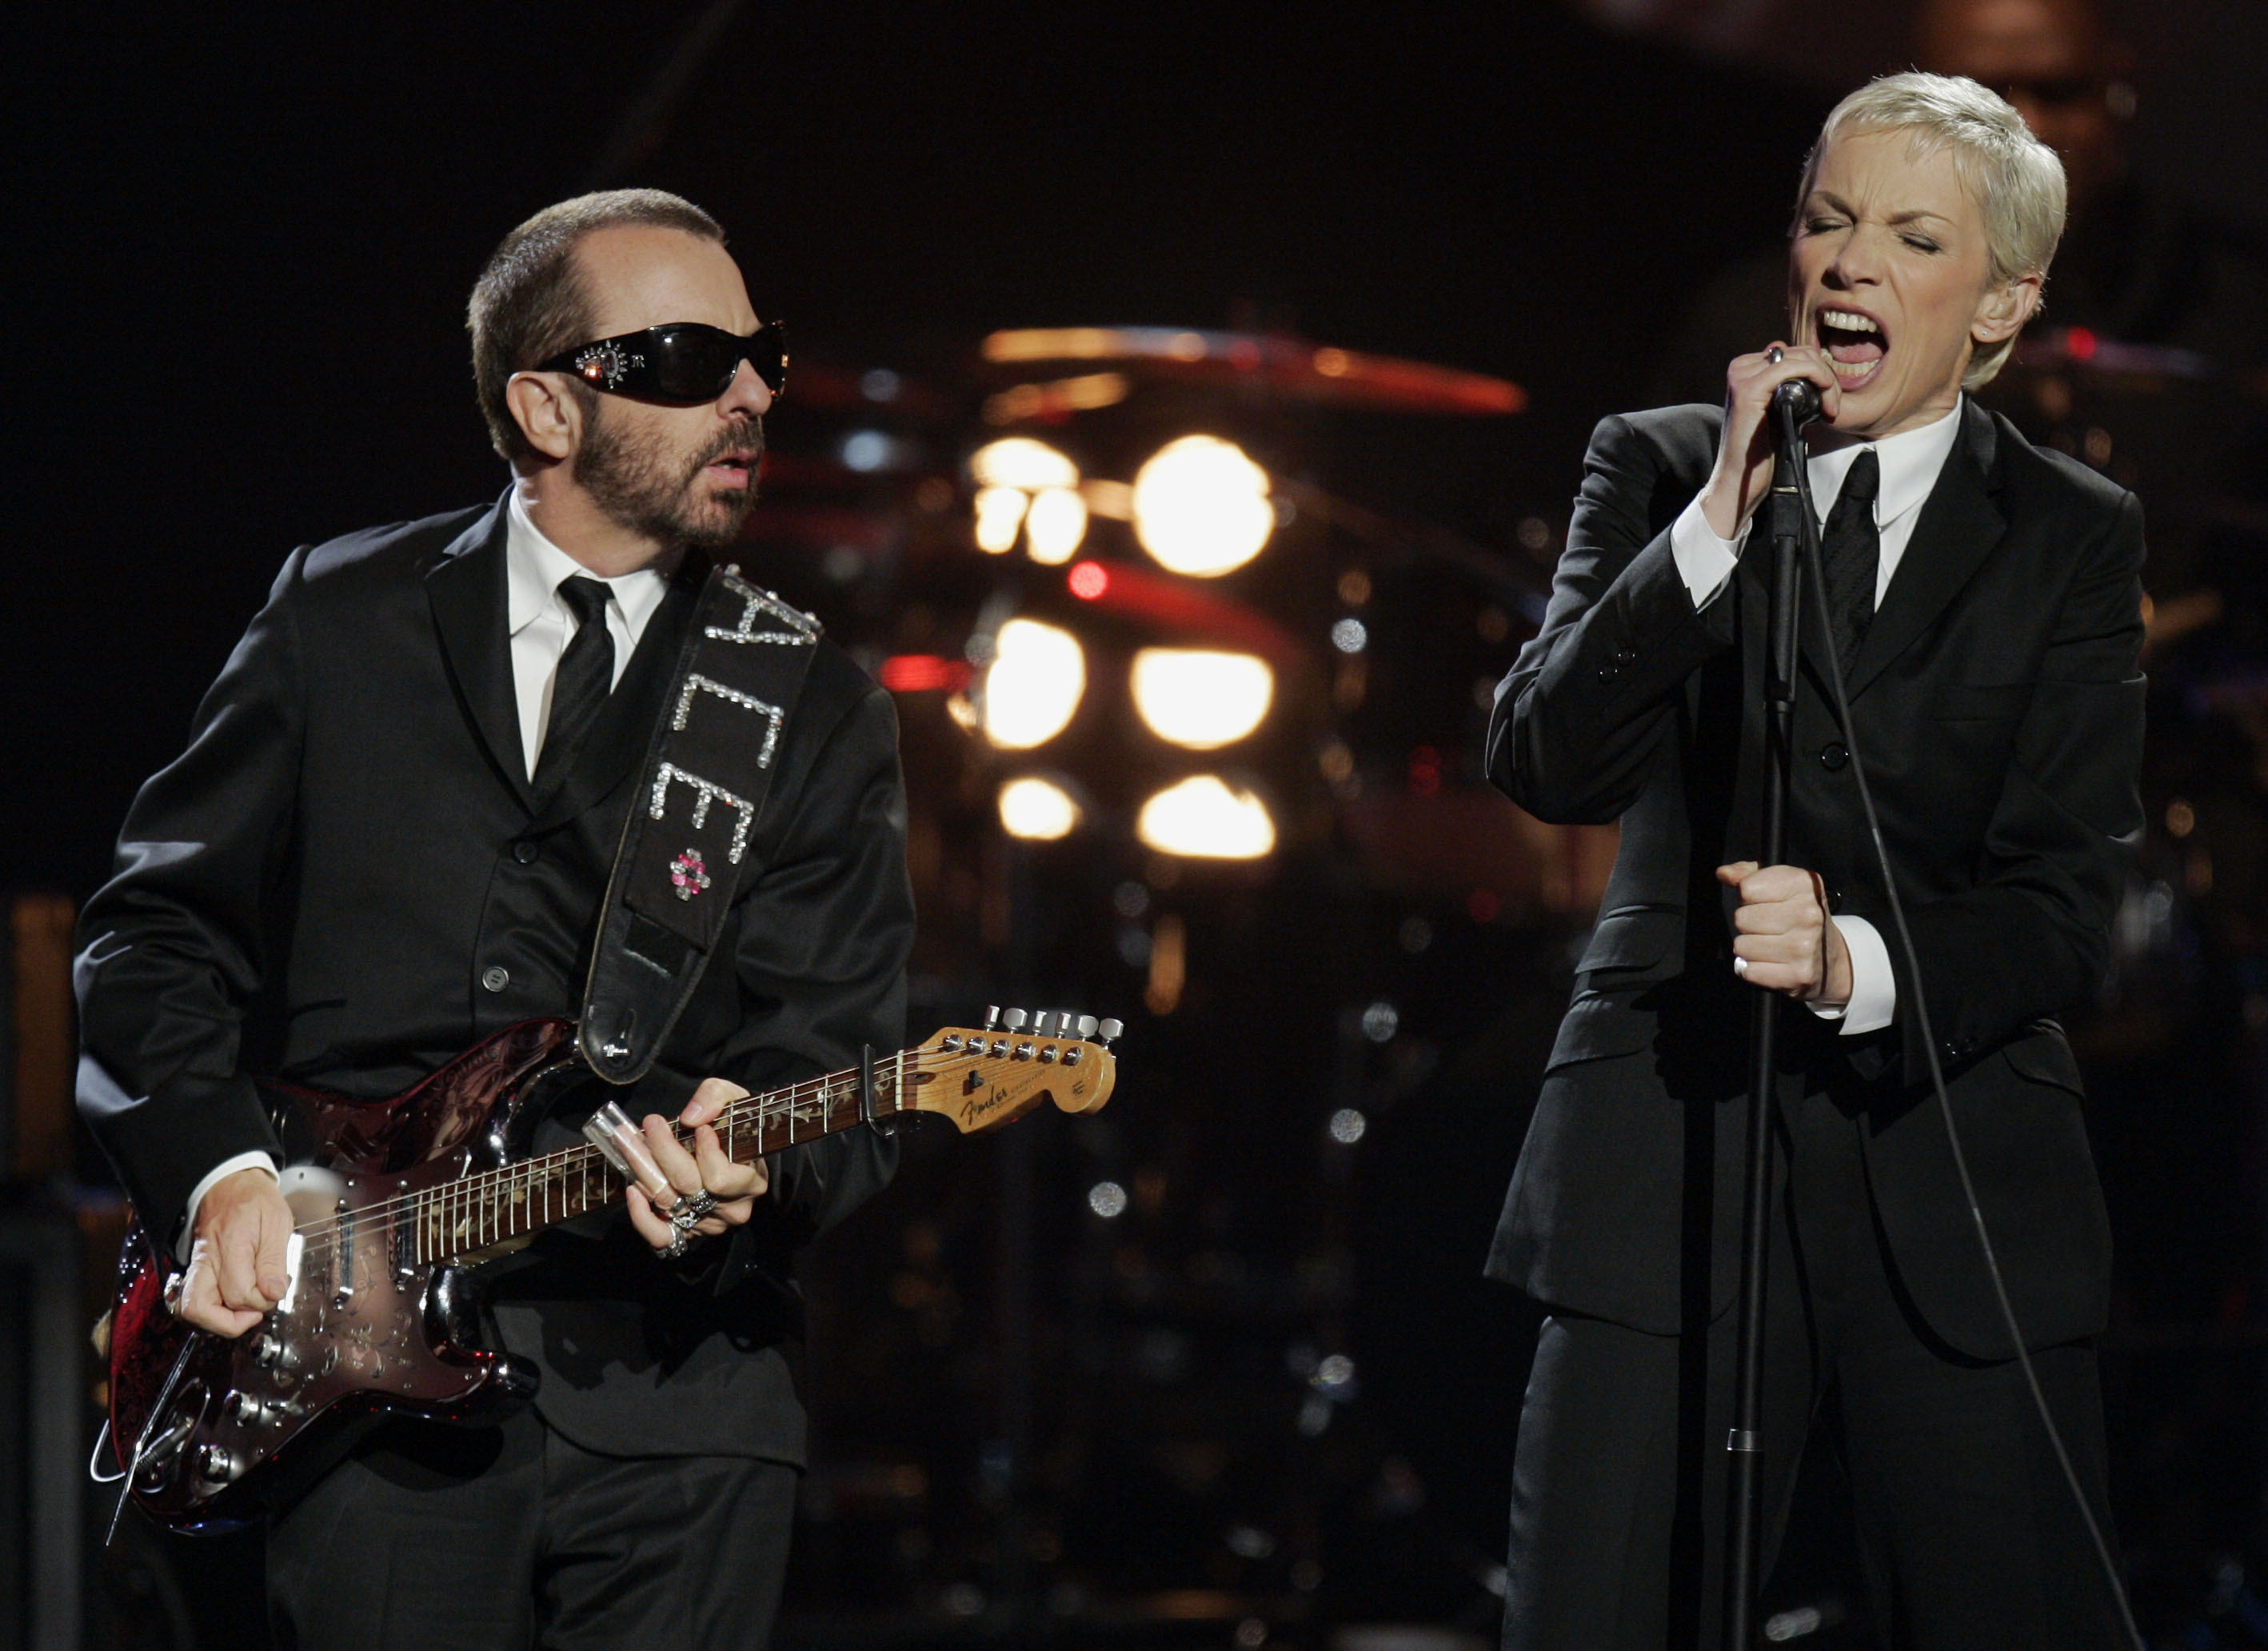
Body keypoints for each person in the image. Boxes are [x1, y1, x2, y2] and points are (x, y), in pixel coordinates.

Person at [74, 190, 914, 1649]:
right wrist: (220, 1179)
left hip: (685, 1400)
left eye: (761, 357)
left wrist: (756, 1162)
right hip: (358, 1389)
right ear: (545, 405)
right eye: (684, 359)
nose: (748, 395)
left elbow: (840, 1059)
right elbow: (155, 938)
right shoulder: (338, 616)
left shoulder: (812, 701)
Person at [1486, 74, 2143, 1646]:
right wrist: (1716, 518)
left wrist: (1859, 964)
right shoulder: (1657, 469)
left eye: (1909, 237)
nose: (1845, 264)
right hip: (1667, 1155)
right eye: (1824, 220)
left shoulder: (2068, 533)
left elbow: (2063, 913)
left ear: (1995, 303)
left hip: (1954, 1179)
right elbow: (1547, 762)